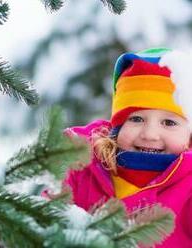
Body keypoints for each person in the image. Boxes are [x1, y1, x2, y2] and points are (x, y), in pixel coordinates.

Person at [61, 48, 192, 247]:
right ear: (117, 127)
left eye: (169, 123)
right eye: (136, 119)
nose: (149, 134)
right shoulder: (83, 167)